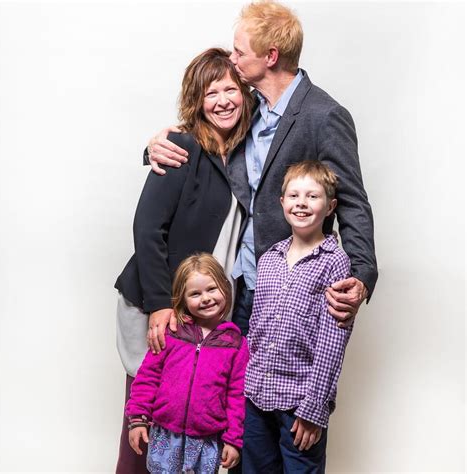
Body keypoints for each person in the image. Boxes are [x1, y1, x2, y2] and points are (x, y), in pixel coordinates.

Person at [145, 0, 378, 354]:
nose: (232, 58)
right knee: (227, 385)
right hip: (235, 284)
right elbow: (203, 138)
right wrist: (154, 147)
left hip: (290, 288)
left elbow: (351, 201)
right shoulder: (246, 108)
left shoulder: (324, 115)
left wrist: (361, 275)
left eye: (239, 52)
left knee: (285, 382)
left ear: (270, 56)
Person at [114, 48, 254, 473]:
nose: (223, 101)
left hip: (202, 304)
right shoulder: (182, 147)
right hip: (156, 300)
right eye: (211, 93)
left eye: (230, 89)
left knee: (188, 417)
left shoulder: (244, 153)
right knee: (146, 416)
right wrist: (161, 305)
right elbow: (146, 228)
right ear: (197, 101)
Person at [243, 160, 352, 473]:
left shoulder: (335, 262)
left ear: (330, 207)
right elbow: (256, 328)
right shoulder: (269, 259)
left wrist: (314, 408)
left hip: (300, 401)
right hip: (256, 395)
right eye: (294, 195)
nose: (301, 203)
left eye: (312, 196)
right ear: (282, 202)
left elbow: (332, 343)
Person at [126, 253, 249, 473]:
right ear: (182, 298)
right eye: (195, 293)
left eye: (212, 289)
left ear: (225, 287)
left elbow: (236, 395)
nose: (206, 298)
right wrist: (138, 418)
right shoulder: (171, 333)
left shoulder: (236, 344)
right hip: (165, 434)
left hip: (206, 440)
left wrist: (233, 439)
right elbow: (148, 377)